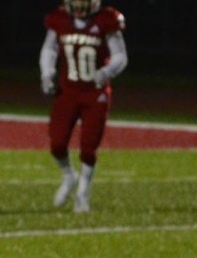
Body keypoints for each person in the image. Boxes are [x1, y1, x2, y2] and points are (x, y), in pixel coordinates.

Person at [39, 0, 127, 214]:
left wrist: (106, 72)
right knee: (57, 144)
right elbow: (49, 49)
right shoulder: (59, 19)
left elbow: (120, 56)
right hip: (67, 92)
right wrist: (47, 73)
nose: (79, 6)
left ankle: (83, 192)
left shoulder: (106, 20)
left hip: (95, 93)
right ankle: (69, 175)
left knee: (88, 147)